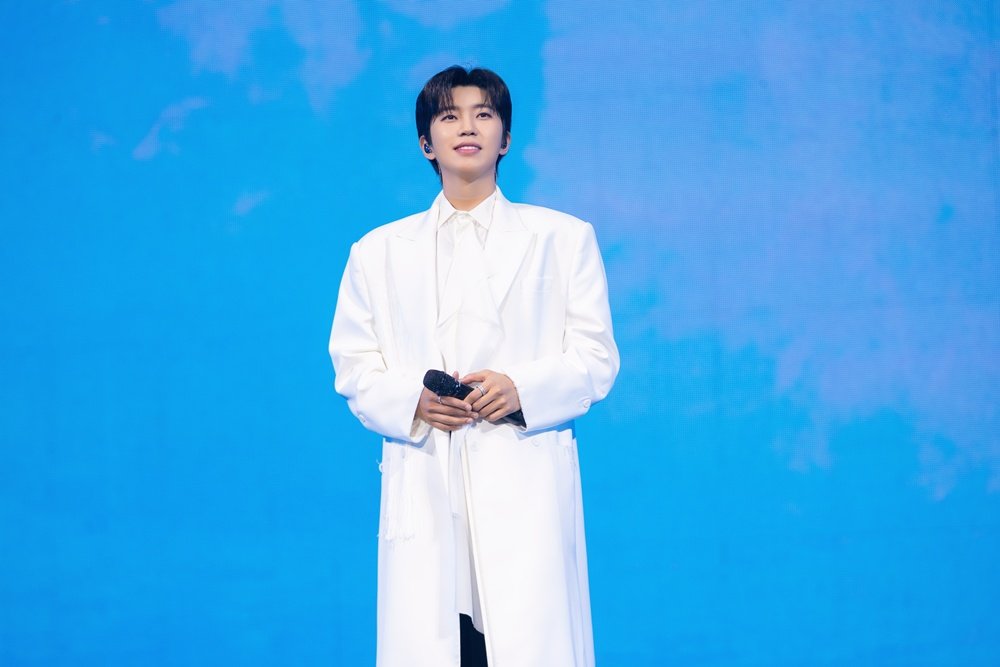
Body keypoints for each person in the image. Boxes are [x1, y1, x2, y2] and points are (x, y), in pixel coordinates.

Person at [329, 65, 619, 667]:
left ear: (505, 138)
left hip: (523, 477)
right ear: (425, 143)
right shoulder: (378, 251)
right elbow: (354, 366)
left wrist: (521, 388)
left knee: (525, 637)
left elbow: (595, 357)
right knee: (436, 640)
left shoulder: (562, 239)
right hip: (427, 475)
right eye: (449, 115)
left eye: (483, 114)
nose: (468, 127)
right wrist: (412, 400)